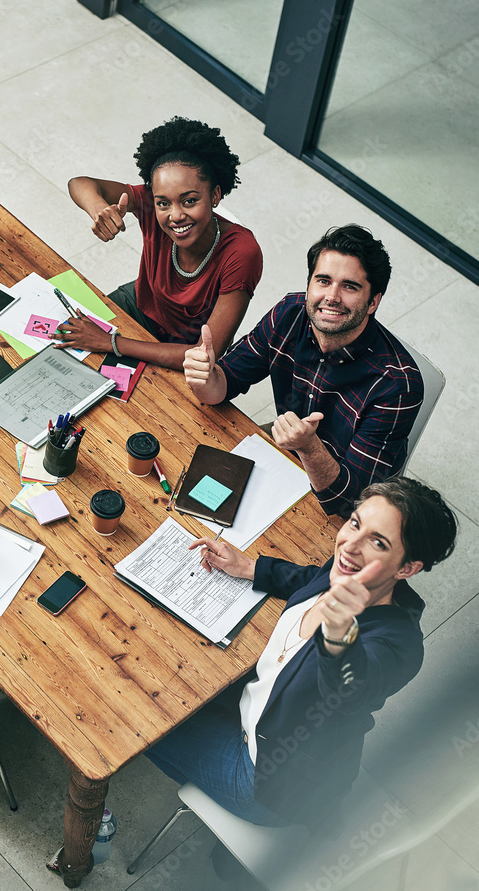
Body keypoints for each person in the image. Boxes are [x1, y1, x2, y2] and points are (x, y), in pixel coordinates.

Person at [146, 477, 458, 826]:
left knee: (141, 724)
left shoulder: (398, 646)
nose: (349, 546)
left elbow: (351, 690)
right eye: (355, 523)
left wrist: (339, 631)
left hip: (266, 779)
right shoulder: (347, 568)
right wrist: (250, 568)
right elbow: (312, 577)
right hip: (250, 713)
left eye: (378, 542)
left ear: (407, 568)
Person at [184, 224, 424, 516]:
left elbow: (353, 502)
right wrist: (206, 377)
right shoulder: (289, 312)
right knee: (193, 497)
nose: (332, 297)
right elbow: (224, 385)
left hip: (341, 487)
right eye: (323, 281)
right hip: (288, 447)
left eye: (349, 286)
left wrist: (308, 447)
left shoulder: (398, 385)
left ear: (373, 301)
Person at [59, 116, 262, 370]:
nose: (175, 215)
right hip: (140, 304)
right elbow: (79, 183)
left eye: (189, 201)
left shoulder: (241, 252)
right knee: (60, 349)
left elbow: (203, 355)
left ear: (215, 195)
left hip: (184, 349)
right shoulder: (148, 204)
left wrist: (111, 343)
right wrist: (99, 208)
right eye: (163, 203)